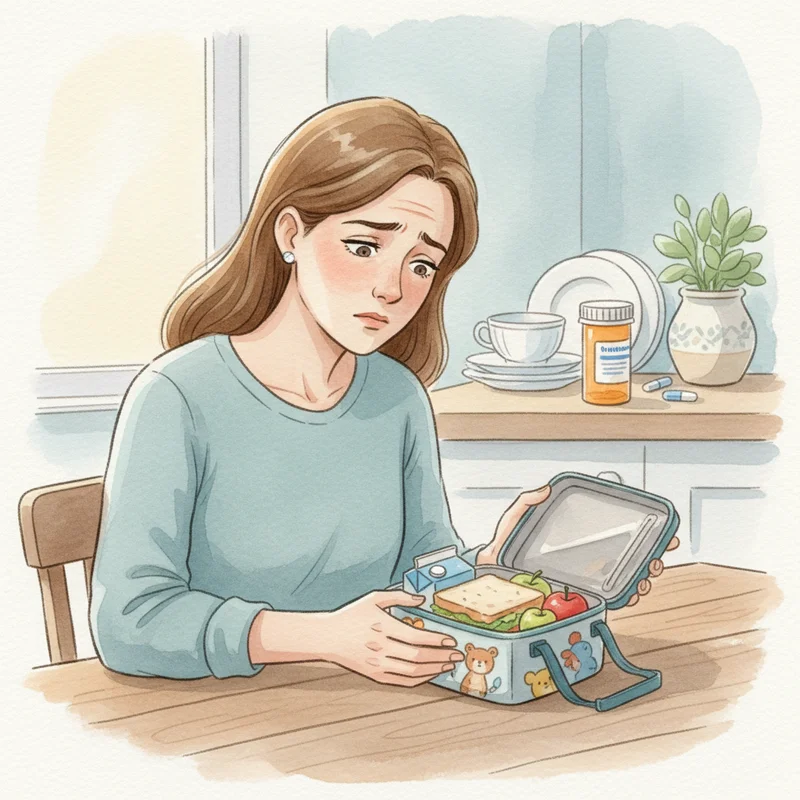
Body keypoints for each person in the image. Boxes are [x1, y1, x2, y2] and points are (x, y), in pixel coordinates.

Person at [90, 97, 676, 684]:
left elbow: (423, 576)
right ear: (291, 232)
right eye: (365, 247)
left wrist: (494, 565)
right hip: (215, 725)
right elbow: (128, 622)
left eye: (422, 264)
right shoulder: (176, 395)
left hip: (371, 713)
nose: (392, 289)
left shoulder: (397, 398)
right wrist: (325, 637)